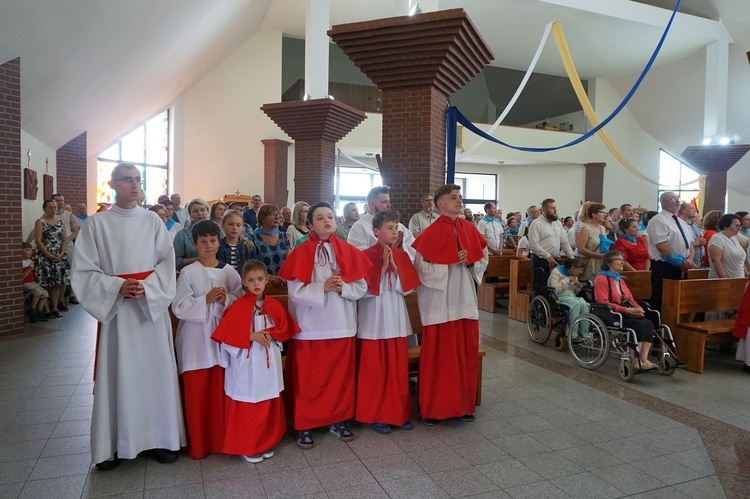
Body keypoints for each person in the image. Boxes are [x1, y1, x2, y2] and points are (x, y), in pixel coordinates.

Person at [71, 162, 185, 470]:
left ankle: (160, 439)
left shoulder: (152, 221)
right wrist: (117, 286)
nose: (134, 186)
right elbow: (83, 271)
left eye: (137, 180)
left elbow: (166, 263)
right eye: (126, 180)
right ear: (112, 184)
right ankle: (114, 445)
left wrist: (147, 287)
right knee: (120, 373)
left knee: (155, 372)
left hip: (149, 309)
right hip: (118, 312)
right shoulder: (97, 224)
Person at [278, 202, 370, 449]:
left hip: (342, 323)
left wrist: (344, 287)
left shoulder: (347, 250)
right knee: (310, 379)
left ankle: (338, 420)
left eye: (330, 216)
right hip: (311, 327)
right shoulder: (300, 252)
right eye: (320, 218)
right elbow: (295, 291)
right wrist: (323, 288)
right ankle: (304, 424)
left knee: (339, 378)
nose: (327, 220)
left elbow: (361, 286)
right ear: (310, 224)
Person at [411, 184, 488, 426]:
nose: (458, 200)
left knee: (464, 351)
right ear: (439, 204)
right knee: (439, 354)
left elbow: (482, 257)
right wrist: (448, 262)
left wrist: (469, 263)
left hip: (464, 296)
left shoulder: (469, 228)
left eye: (460, 197)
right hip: (439, 299)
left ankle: (463, 406)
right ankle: (434, 409)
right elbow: (421, 268)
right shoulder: (430, 232)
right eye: (452, 197)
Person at [211, 260, 300, 462]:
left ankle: (266, 442)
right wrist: (251, 336)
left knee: (267, 400)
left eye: (260, 279)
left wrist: (272, 334)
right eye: (251, 280)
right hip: (246, 364)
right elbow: (227, 336)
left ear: (267, 279)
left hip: (268, 362)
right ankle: (249, 445)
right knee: (248, 404)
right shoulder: (238, 307)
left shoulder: (274, 306)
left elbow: (285, 329)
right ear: (244, 282)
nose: (256, 284)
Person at [171, 220, 243, 460]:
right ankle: (199, 444)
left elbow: (241, 297)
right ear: (195, 244)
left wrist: (225, 299)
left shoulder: (228, 271)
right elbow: (179, 306)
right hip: (195, 339)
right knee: (197, 393)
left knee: (220, 389)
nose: (209, 245)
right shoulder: (188, 273)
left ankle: (222, 441)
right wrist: (205, 300)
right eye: (203, 241)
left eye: (213, 240)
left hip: (220, 337)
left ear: (218, 242)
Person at [357, 210, 421, 434]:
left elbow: (410, 288)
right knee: (376, 369)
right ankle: (377, 414)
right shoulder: (364, 255)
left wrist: (395, 269)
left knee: (397, 368)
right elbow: (360, 290)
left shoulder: (402, 256)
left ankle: (399, 413)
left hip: (395, 316)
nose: (395, 231)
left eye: (397, 227)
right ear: (376, 231)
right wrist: (382, 269)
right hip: (374, 318)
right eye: (389, 227)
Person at [594, 250, 658, 371]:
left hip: (626, 311)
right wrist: (627, 310)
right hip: (612, 314)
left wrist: (637, 307)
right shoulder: (601, 279)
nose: (623, 261)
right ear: (609, 263)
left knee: (648, 323)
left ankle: (644, 359)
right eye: (619, 259)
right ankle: (635, 360)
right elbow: (603, 302)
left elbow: (629, 297)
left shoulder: (620, 279)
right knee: (637, 325)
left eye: (623, 259)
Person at [647, 191, 696, 311]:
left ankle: (674, 326)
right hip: (665, 267)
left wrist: (689, 260)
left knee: (678, 301)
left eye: (677, 199)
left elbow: (690, 244)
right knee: (662, 299)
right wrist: (679, 262)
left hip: (683, 266)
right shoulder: (658, 220)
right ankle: (658, 327)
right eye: (673, 199)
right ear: (663, 202)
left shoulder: (682, 222)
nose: (676, 201)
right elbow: (662, 245)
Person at [348, 185, 416, 261]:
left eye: (389, 201)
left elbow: (414, 247)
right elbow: (358, 255)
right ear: (372, 204)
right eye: (384, 202)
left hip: (399, 269)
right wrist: (389, 249)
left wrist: (400, 247)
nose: (389, 205)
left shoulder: (398, 225)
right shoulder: (359, 227)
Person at [33, 199, 70, 318]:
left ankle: (55, 307)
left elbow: (64, 240)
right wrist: (48, 254)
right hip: (44, 255)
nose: (53, 209)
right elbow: (38, 240)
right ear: (44, 209)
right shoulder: (40, 222)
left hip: (58, 255)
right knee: (45, 282)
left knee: (57, 283)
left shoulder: (61, 222)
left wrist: (61, 252)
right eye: (50, 207)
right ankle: (46, 309)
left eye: (55, 207)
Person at [528, 198, 575, 291]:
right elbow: (533, 244)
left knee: (553, 288)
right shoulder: (536, 223)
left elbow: (564, 242)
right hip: (540, 260)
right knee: (540, 287)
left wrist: (572, 257)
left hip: (555, 259)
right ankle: (537, 305)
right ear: (545, 210)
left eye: (555, 208)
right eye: (553, 208)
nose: (555, 210)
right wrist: (548, 256)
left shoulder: (557, 223)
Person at [251, 204, 291, 288]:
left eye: (278, 215)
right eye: (273, 215)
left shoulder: (283, 236)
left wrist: (285, 276)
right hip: (262, 283)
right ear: (262, 218)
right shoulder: (253, 238)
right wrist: (269, 277)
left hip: (284, 282)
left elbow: (290, 260)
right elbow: (252, 264)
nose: (277, 218)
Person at [547, 259, 589, 338]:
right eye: (580, 270)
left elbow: (575, 292)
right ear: (573, 268)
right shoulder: (556, 272)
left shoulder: (573, 275)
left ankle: (584, 333)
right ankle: (572, 334)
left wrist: (578, 286)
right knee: (576, 304)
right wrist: (567, 280)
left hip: (570, 296)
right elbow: (554, 289)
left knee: (583, 303)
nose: (582, 272)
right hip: (558, 296)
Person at [173, 198, 210, 270]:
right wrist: (198, 259)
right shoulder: (182, 235)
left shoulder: (219, 231)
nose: (200, 213)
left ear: (207, 211)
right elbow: (175, 262)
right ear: (190, 214)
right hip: (191, 274)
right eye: (195, 211)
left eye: (202, 210)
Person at [218, 210, 257, 275]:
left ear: (242, 227)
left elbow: (254, 266)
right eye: (230, 224)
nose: (234, 228)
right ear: (222, 225)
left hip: (243, 282)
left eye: (238, 225)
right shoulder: (218, 245)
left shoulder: (248, 246)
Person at [576, 203, 607, 282]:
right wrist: (597, 255)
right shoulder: (586, 228)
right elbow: (581, 249)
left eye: (605, 213)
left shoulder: (603, 228)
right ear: (594, 214)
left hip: (601, 263)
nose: (604, 215)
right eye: (602, 213)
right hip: (591, 263)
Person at [707, 214, 746, 279]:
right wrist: (725, 279)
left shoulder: (734, 239)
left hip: (738, 279)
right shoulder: (717, 238)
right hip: (724, 281)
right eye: (736, 226)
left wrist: (747, 274)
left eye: (740, 226)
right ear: (725, 226)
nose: (739, 229)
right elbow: (716, 261)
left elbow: (740, 260)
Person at [21, 242, 49, 323]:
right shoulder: (21, 263)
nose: (30, 252)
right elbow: (22, 277)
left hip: (32, 282)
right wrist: (29, 269)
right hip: (25, 282)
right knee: (38, 293)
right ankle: (32, 311)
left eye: (31, 250)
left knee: (45, 294)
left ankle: (39, 311)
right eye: (28, 250)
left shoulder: (30, 261)